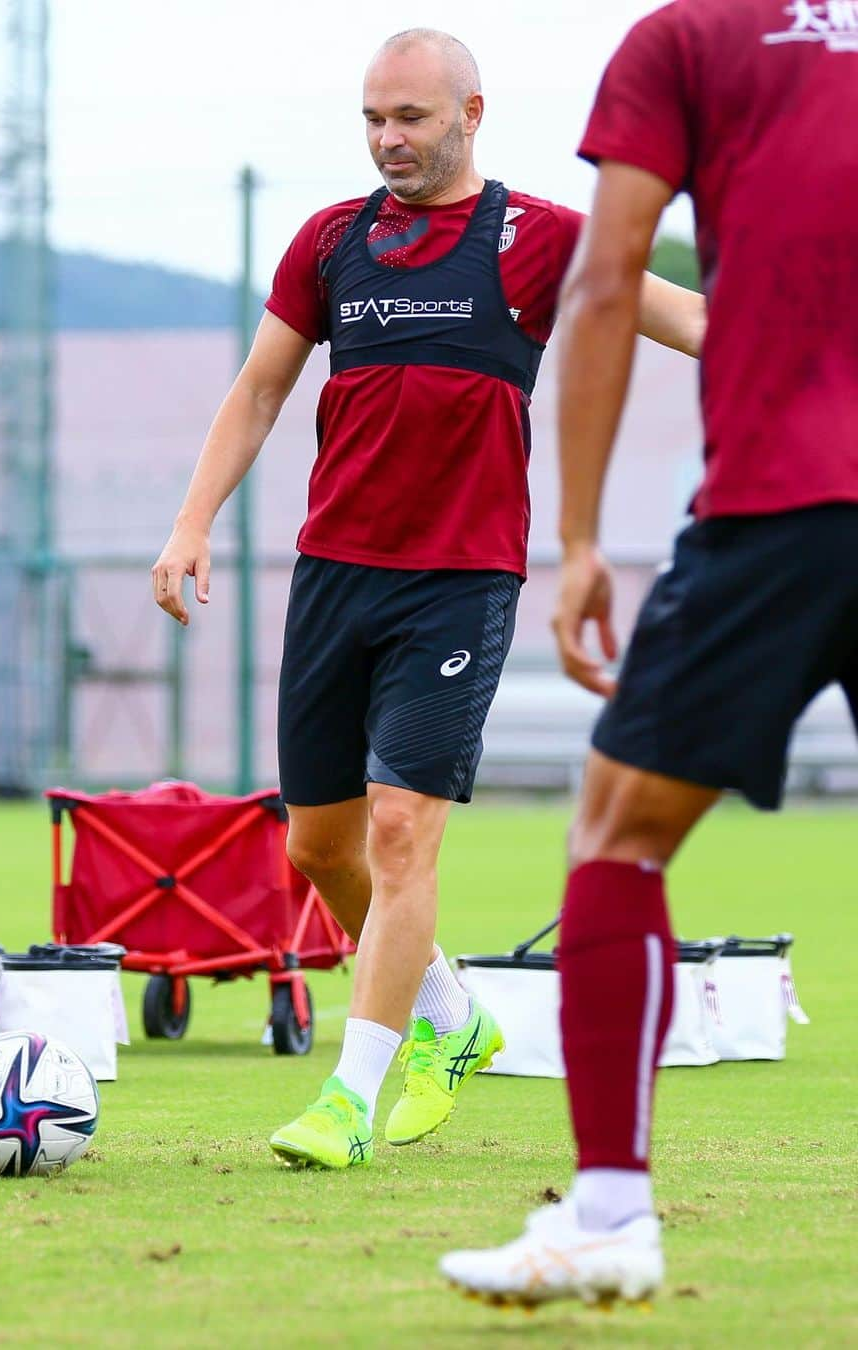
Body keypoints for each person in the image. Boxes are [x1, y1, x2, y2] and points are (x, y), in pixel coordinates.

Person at [152, 28, 704, 1171]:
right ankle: (454, 1018)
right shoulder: (332, 241)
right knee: (320, 849)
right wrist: (192, 522)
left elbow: (687, 314)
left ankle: (351, 1097)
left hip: (457, 586)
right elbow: (259, 393)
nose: (389, 140)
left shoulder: (536, 236)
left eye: (409, 118)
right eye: (373, 119)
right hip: (334, 577)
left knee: (403, 830)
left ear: (472, 113)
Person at [441, 0, 858, 1307]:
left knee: (618, 828)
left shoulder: (687, 39)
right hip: (786, 496)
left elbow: (607, 279)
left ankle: (614, 1209)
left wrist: (572, 537)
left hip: (783, 505)